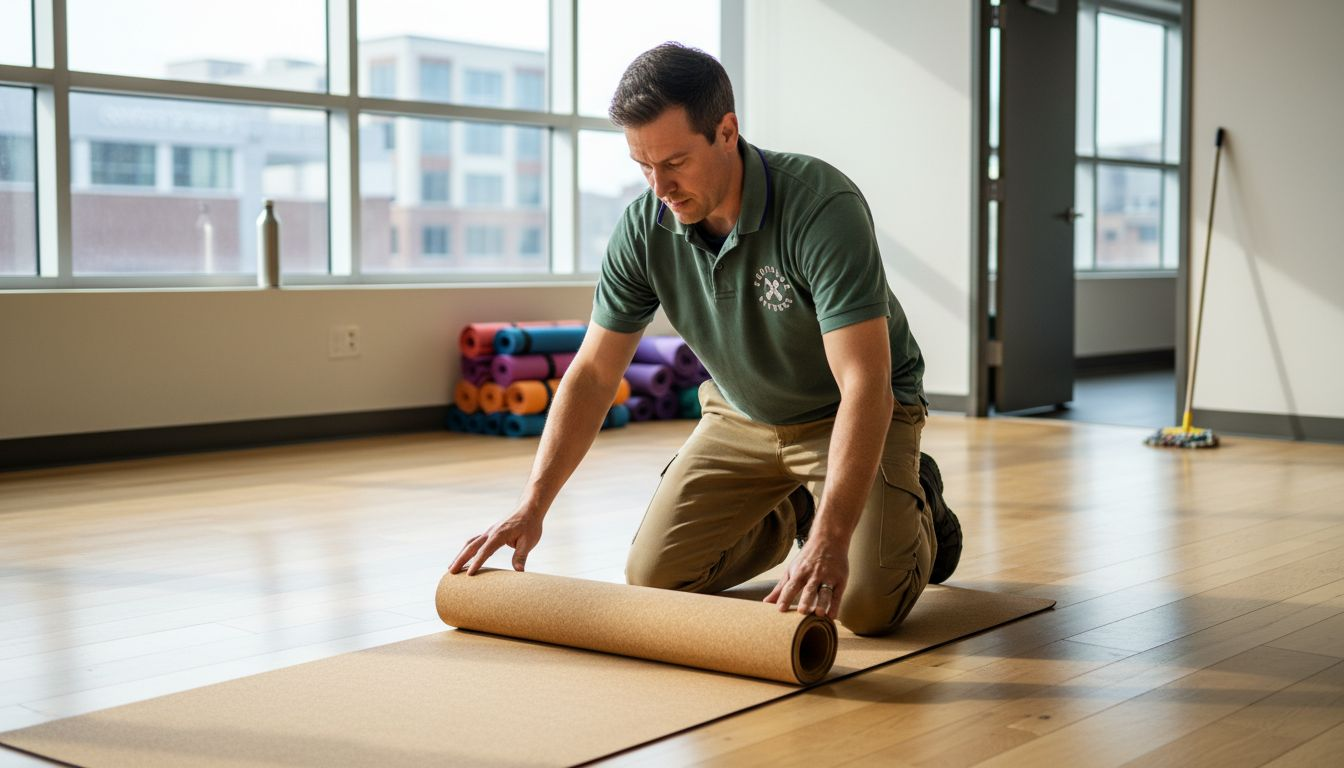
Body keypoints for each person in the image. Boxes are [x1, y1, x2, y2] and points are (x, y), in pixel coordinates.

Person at [451, 43, 961, 636]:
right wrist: (531, 505)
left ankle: (916, 497)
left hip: (850, 412)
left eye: (675, 161)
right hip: (741, 416)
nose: (659, 185)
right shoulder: (645, 227)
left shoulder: (822, 205)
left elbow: (864, 382)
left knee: (865, 607)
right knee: (656, 578)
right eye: (643, 165)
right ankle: (798, 503)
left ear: (727, 131)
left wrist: (832, 538)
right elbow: (592, 375)